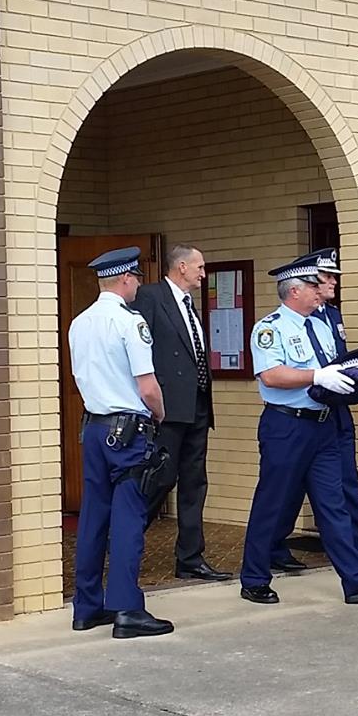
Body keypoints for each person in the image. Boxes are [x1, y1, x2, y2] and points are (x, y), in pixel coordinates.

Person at [236, 253, 358, 606]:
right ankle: (254, 579)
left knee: (333, 505)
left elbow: (332, 369)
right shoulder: (270, 328)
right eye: (313, 285)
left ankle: (357, 580)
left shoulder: (323, 326)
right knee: (271, 503)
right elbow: (271, 375)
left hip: (323, 425)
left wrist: (357, 373)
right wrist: (316, 375)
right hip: (287, 425)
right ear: (294, 291)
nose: (320, 290)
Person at [65, 247, 175, 639]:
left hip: (94, 428)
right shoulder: (130, 322)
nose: (138, 286)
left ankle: (87, 607)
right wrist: (159, 414)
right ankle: (128, 609)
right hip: (128, 431)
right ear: (126, 279)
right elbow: (147, 386)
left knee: (93, 517)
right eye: (137, 279)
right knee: (129, 518)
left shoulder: (80, 322)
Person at [135, 244, 230, 581]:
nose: (204, 274)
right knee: (159, 479)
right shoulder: (150, 297)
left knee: (194, 482)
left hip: (197, 405)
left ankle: (190, 557)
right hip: (167, 409)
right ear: (182, 267)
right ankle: (123, 542)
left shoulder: (189, 304)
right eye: (199, 267)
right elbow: (139, 349)